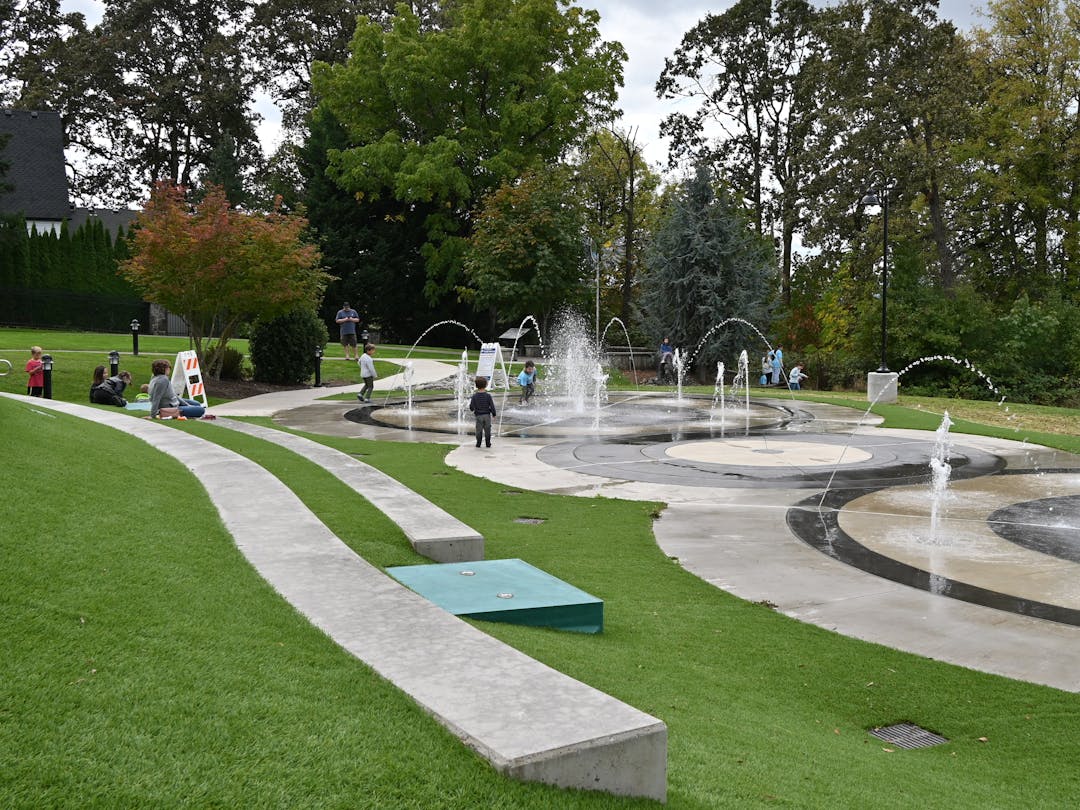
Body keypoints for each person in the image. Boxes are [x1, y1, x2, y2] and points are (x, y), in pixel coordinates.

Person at [468, 376, 497, 448]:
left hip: (478, 416)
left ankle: (478, 443)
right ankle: (488, 443)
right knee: (487, 430)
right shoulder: (488, 396)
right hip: (487, 415)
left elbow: (471, 406)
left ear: (476, 386)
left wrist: (472, 409)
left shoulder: (474, 396)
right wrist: (494, 414)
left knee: (479, 430)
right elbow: (492, 406)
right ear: (486, 385)